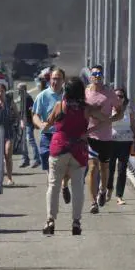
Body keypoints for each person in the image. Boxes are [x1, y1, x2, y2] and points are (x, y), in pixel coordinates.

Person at [42, 77, 110, 236]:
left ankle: (50, 220)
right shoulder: (87, 109)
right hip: (79, 149)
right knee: (78, 186)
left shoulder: (60, 106)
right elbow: (105, 121)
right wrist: (88, 132)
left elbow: (48, 123)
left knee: (53, 185)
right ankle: (76, 222)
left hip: (59, 147)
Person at [85, 64, 121, 214]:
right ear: (90, 76)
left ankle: (103, 190)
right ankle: (93, 202)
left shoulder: (109, 94)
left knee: (104, 168)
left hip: (106, 137)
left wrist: (110, 120)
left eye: (99, 75)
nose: (97, 77)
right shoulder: (85, 92)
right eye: (94, 74)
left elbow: (120, 112)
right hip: (90, 136)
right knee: (92, 168)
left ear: (103, 77)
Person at [107, 87, 135, 205]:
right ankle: (108, 188)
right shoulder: (108, 108)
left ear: (124, 98)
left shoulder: (128, 109)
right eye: (116, 96)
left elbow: (134, 125)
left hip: (126, 143)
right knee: (110, 169)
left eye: (121, 96)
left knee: (122, 169)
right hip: (111, 142)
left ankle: (119, 196)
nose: (118, 98)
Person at [31, 68, 65, 172]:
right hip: (47, 134)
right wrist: (41, 125)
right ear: (50, 80)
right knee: (46, 157)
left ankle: (61, 184)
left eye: (58, 79)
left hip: (63, 134)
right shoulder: (43, 96)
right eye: (53, 79)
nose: (55, 82)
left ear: (63, 81)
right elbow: (35, 115)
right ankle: (53, 183)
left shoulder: (67, 95)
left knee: (61, 163)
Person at [0, 82, 19, 186]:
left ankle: (9, 178)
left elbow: (17, 113)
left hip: (8, 131)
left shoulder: (10, 102)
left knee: (8, 154)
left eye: (1, 91)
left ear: (5, 92)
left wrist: (16, 121)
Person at [18, 84, 40, 168]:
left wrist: (33, 122)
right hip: (24, 121)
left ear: (24, 89)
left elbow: (32, 110)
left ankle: (37, 159)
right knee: (23, 142)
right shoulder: (23, 98)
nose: (19, 91)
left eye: (20, 89)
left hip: (28, 122)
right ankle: (25, 159)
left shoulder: (27, 98)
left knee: (30, 140)